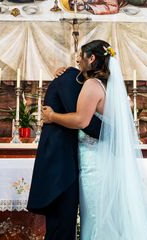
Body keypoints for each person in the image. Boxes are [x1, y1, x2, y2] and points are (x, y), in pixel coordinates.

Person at [41, 40, 147, 239]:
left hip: (95, 162)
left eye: (81, 56)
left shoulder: (92, 85)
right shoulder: (110, 86)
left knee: (96, 214)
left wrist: (52, 116)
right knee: (110, 214)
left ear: (92, 58)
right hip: (108, 157)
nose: (79, 61)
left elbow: (81, 120)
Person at [27, 66, 103, 240]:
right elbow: (83, 121)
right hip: (60, 163)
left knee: (64, 224)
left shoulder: (82, 82)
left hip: (68, 159)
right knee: (61, 226)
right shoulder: (70, 79)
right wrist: (115, 133)